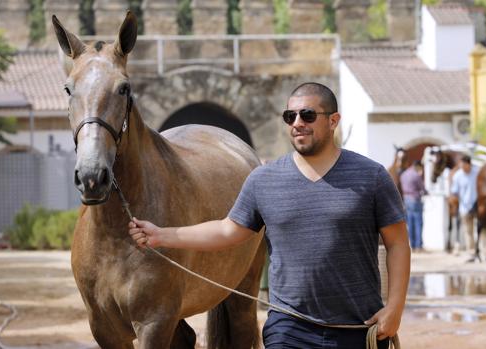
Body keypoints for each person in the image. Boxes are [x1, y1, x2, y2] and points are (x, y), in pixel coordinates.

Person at [128, 82, 411, 348]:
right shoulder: (263, 179)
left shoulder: (371, 177)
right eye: (291, 116)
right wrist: (161, 234)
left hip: (358, 328)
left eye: (308, 115)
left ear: (333, 120)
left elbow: (398, 244)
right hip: (288, 329)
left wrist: (395, 308)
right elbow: (228, 231)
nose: (298, 123)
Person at [450, 155, 486, 259]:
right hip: (465, 207)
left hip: (478, 206)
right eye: (461, 165)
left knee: (482, 230)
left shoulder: (477, 173)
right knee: (468, 231)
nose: (462, 167)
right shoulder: (458, 176)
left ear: (469, 164)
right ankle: (471, 253)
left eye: (464, 165)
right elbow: (454, 191)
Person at [400, 160, 426, 252]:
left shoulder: (404, 174)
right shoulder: (416, 175)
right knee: (418, 223)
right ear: (418, 166)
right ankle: (419, 246)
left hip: (406, 199)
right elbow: (422, 188)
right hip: (415, 199)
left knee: (410, 223)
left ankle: (412, 245)